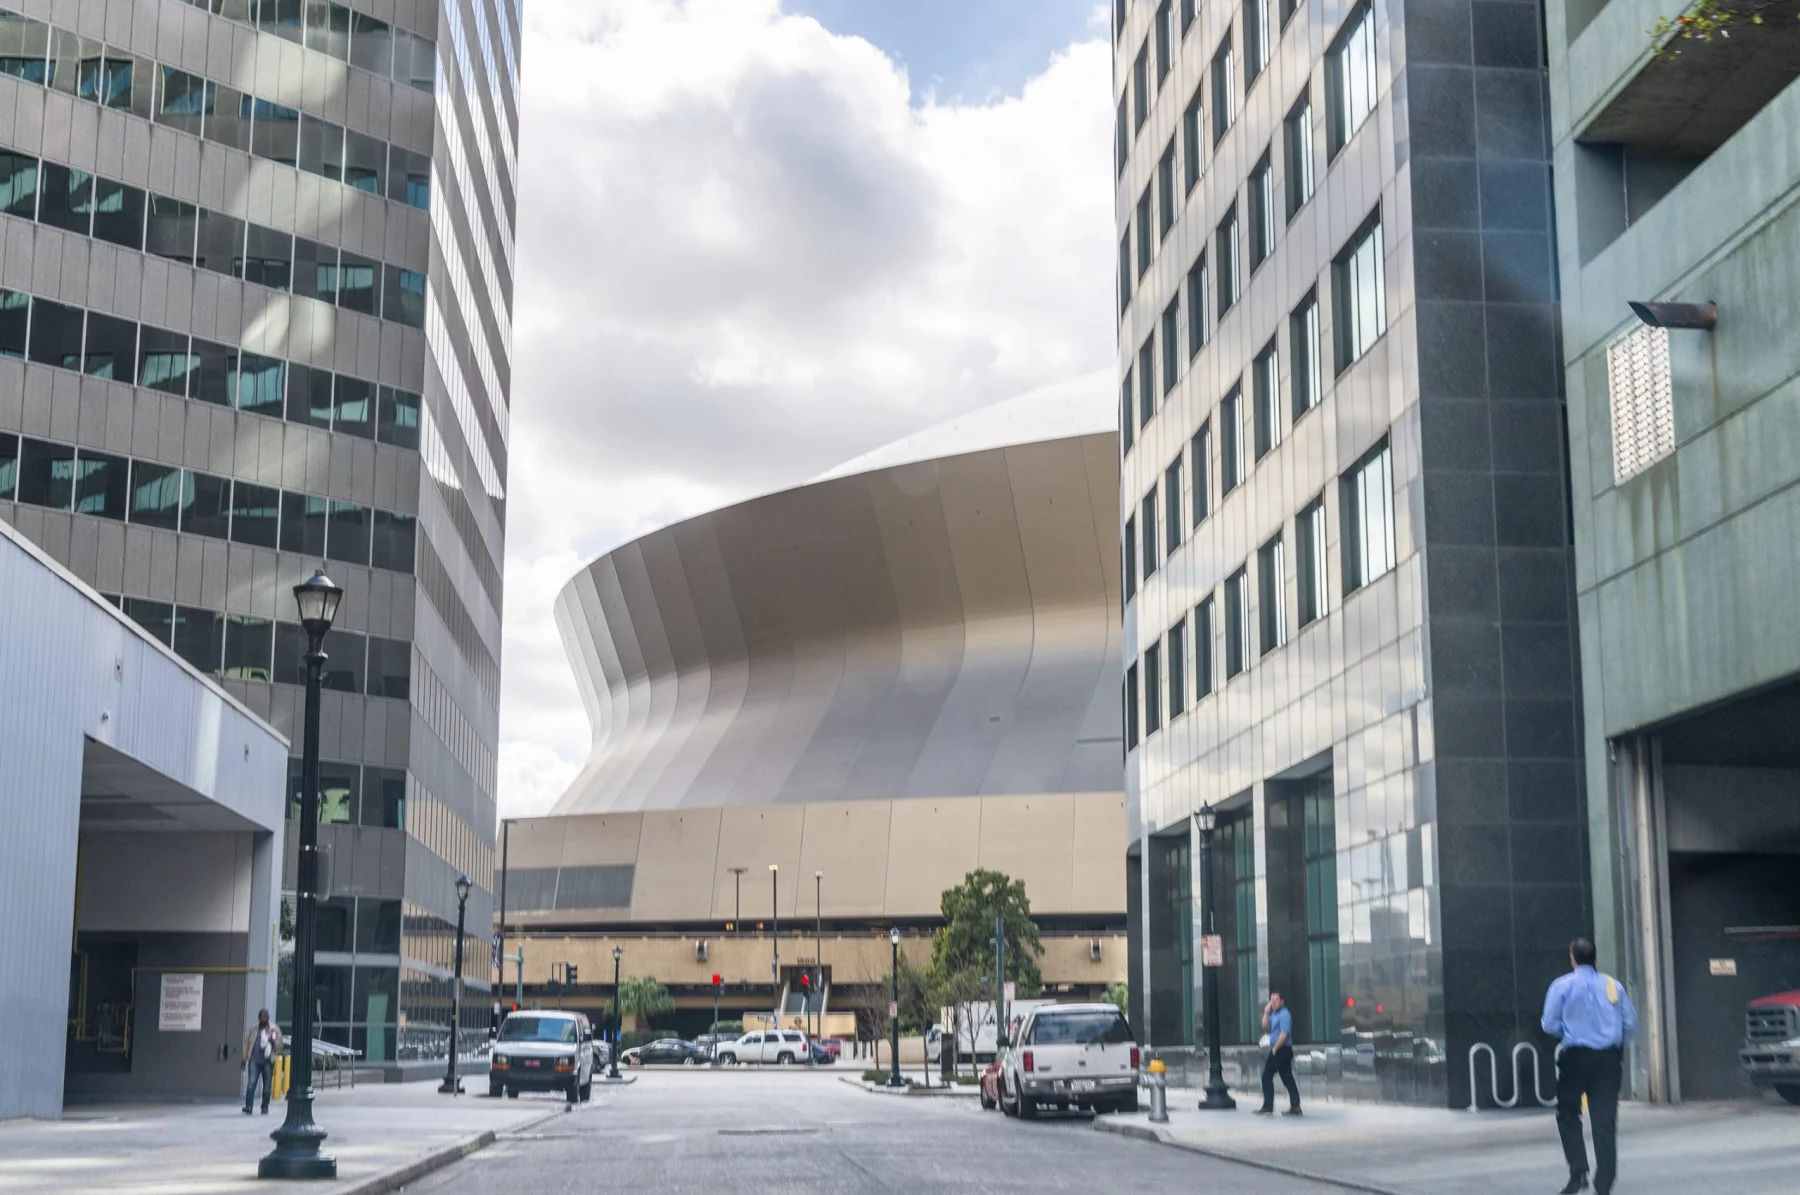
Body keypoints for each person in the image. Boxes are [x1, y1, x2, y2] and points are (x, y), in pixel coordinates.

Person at [1542, 937, 1638, 1195]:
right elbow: (1630, 1024)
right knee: (1604, 1121)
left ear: (1572, 959)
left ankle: (1578, 1172)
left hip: (1575, 1059)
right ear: (1596, 959)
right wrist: (1615, 1047)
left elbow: (1549, 1024)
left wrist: (1569, 1032)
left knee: (1568, 1113)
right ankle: (1604, 1183)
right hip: (1608, 1061)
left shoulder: (1561, 986)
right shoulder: (1613, 986)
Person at [1254, 991, 1301, 1116]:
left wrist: (1275, 1049)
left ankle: (1267, 1106)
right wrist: (1266, 1012)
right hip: (1279, 1049)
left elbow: (1284, 1034)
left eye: (1275, 1000)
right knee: (1287, 1078)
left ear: (1282, 1001)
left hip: (1282, 1049)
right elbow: (1265, 1026)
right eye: (1271, 1000)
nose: (1273, 1003)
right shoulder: (1274, 1014)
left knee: (1266, 1075)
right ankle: (1295, 1106)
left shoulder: (1285, 1014)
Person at [242, 1009, 283, 1115]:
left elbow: (280, 1044)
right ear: (259, 1017)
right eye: (261, 1016)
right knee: (251, 1084)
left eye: (265, 1017)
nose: (263, 1018)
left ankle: (264, 1107)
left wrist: (273, 1041)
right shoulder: (254, 1028)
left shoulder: (274, 1029)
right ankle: (249, 1106)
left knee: (267, 1086)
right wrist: (244, 1058)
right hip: (254, 1060)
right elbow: (246, 1042)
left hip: (268, 1061)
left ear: (268, 1018)